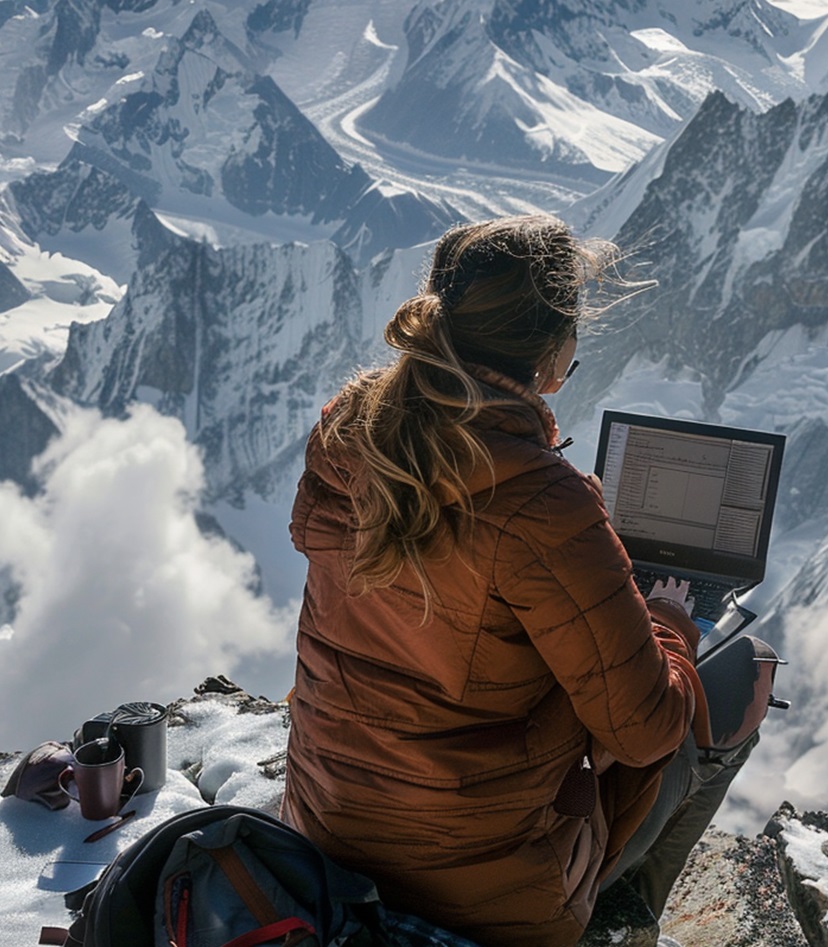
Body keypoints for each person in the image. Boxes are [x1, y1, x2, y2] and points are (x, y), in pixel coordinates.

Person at [281, 214, 747, 947]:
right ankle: (621, 922)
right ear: (555, 353)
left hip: (322, 830)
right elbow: (643, 726)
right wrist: (666, 620)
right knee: (728, 680)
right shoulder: (541, 500)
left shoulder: (350, 427)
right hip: (483, 888)